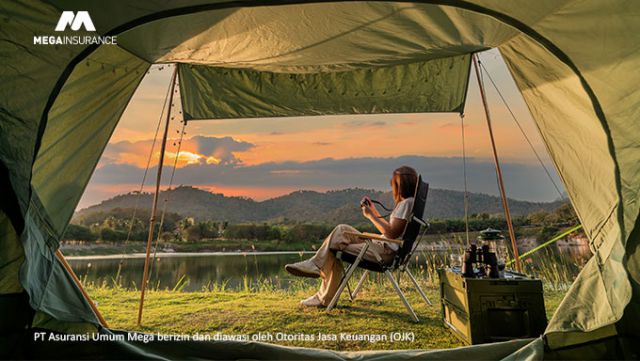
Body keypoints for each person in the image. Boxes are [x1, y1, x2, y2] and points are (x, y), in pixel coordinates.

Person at [284, 166, 418, 307]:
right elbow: (392, 231)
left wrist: (371, 216)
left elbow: (391, 233)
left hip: (384, 251)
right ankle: (317, 272)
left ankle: (322, 289)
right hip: (382, 246)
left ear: (400, 185)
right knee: (342, 230)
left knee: (335, 248)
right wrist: (373, 211)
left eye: (394, 184)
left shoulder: (406, 203)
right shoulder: (410, 203)